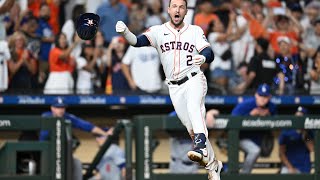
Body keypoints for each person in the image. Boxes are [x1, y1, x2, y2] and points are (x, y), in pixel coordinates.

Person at [115, 0, 223, 179]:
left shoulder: (195, 31)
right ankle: (213, 166)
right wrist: (126, 33)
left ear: (186, 11)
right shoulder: (158, 30)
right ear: (169, 10)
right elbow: (136, 42)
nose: (178, 10)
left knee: (194, 109)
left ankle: (201, 146)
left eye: (181, 7)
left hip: (194, 78)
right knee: (192, 129)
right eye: (174, 6)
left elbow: (209, 53)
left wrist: (203, 59)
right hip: (174, 87)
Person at [40, 97, 110, 180]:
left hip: (62, 155)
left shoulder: (67, 117)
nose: (61, 110)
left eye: (62, 107)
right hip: (47, 154)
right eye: (58, 107)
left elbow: (86, 126)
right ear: (52, 108)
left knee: (77, 164)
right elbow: (44, 137)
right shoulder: (46, 116)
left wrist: (105, 133)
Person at [231, 84, 277, 174]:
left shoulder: (272, 107)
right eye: (260, 95)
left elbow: (277, 123)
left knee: (253, 151)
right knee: (255, 150)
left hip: (257, 139)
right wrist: (250, 116)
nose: (262, 99)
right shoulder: (246, 105)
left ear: (270, 97)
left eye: (265, 96)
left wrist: (268, 116)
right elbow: (231, 121)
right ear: (256, 95)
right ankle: (244, 176)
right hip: (239, 138)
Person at [279, 106, 314, 174]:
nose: (298, 118)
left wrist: (305, 134)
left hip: (304, 168)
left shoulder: (308, 132)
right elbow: (281, 153)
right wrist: (290, 168)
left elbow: (311, 148)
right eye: (297, 115)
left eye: (301, 116)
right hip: (288, 167)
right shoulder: (286, 130)